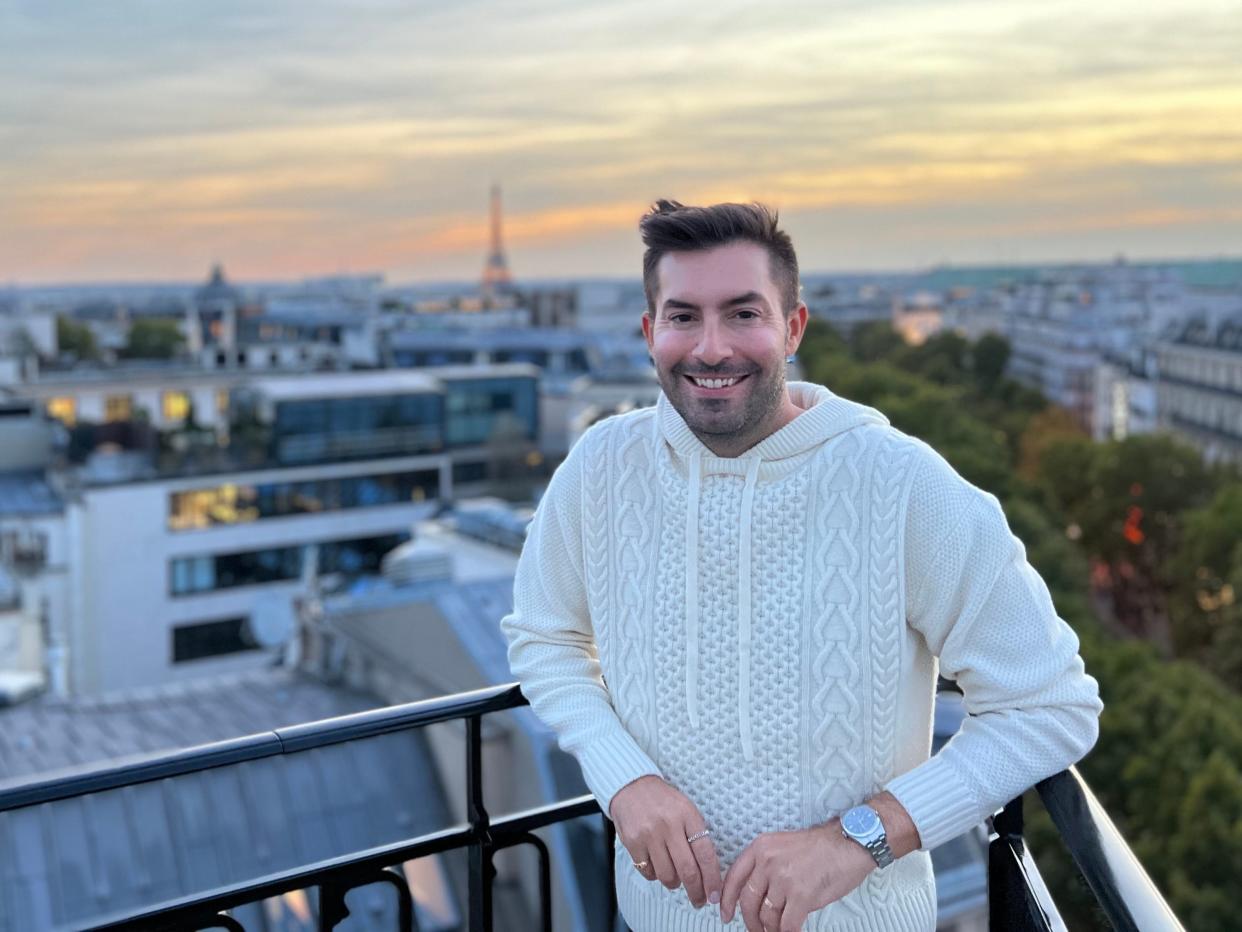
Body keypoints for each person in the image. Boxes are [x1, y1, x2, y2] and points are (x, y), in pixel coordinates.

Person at [501, 199, 1102, 932]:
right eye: (683, 316)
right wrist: (622, 778)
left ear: (793, 328)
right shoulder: (599, 466)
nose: (711, 347)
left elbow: (1050, 705)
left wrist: (859, 840)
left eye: (743, 314)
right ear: (650, 332)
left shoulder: (905, 485)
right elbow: (544, 637)